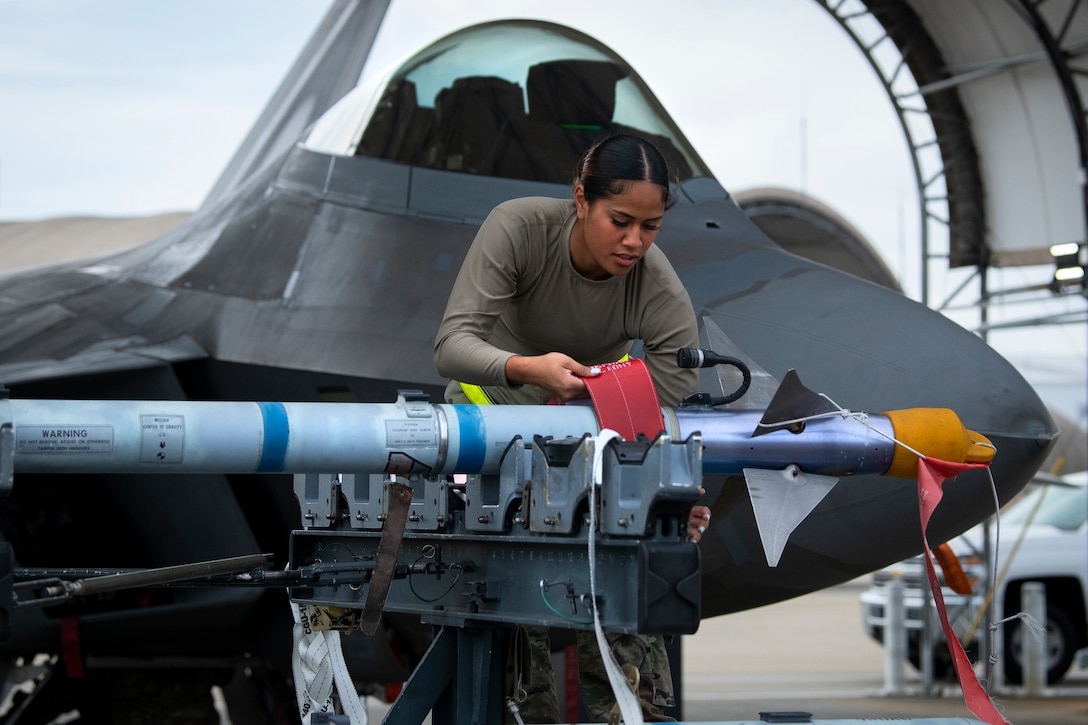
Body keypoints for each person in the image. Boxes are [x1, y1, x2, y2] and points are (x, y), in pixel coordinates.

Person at [433, 133, 711, 722]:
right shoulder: (519, 229)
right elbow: (453, 347)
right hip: (491, 431)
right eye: (620, 221)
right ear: (580, 200)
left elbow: (659, 412)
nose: (635, 241)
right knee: (511, 643)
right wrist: (525, 368)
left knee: (625, 609)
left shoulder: (655, 287)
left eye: (651, 226)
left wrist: (670, 488)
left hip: (588, 446)